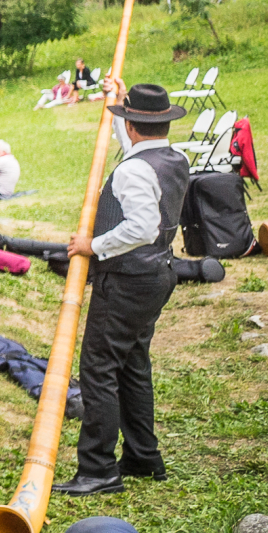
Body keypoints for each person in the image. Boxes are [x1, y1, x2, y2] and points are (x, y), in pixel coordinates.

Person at [55, 81, 191, 496]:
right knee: (132, 365)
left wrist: (91, 246)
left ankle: (98, 469)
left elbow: (142, 227)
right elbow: (133, 149)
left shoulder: (133, 170)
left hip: (129, 278)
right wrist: (117, 96)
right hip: (157, 274)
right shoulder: (174, 157)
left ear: (131, 124)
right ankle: (143, 457)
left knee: (99, 370)